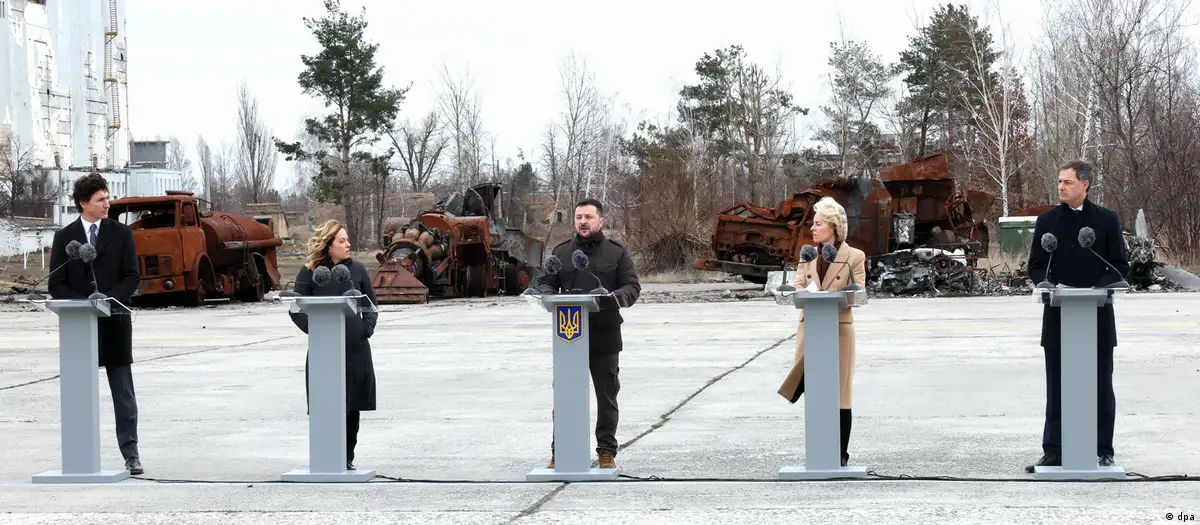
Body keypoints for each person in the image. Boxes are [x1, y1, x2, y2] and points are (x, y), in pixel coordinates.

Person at [1024, 159, 1128, 472]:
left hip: (1095, 315)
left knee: (1100, 383)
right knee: (1056, 384)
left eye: (1067, 182)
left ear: (1085, 184)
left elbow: (1119, 267)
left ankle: (1102, 449)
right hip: (1058, 314)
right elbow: (1036, 265)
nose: (1060, 187)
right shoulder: (1046, 221)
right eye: (1059, 182)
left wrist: (1096, 290)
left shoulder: (1107, 220)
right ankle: (1054, 449)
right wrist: (1047, 283)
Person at [535, 198, 641, 469]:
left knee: (607, 398)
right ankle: (561, 451)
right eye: (579, 217)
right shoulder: (561, 253)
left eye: (589, 217)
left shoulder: (616, 253)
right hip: (568, 338)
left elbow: (632, 286)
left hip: (604, 337)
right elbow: (546, 281)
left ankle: (606, 451)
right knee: (565, 397)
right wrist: (545, 293)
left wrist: (616, 298)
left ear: (601, 221)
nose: (583, 222)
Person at [48, 173, 143, 475]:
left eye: (107, 198)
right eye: (101, 199)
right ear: (83, 203)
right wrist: (83, 303)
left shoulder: (121, 233)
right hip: (79, 327)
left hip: (114, 322)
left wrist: (106, 300)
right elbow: (56, 283)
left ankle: (131, 453)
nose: (108, 204)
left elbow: (132, 277)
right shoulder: (65, 238)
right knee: (79, 393)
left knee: (123, 393)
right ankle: (79, 456)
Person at [776, 196, 867, 467]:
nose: (812, 229)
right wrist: (806, 292)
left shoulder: (854, 257)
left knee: (840, 392)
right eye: (813, 224)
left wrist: (834, 294)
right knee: (814, 390)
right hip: (812, 329)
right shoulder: (807, 255)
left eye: (818, 224)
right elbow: (798, 286)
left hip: (838, 330)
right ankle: (817, 450)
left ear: (833, 228)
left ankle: (840, 452)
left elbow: (858, 291)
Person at [288, 219, 379, 471]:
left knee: (351, 405)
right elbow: (296, 309)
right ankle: (325, 457)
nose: (348, 244)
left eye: (347, 240)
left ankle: (346, 458)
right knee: (325, 404)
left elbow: (372, 305)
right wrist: (314, 330)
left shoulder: (358, 270)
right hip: (323, 351)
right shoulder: (310, 272)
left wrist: (365, 329)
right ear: (328, 245)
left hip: (354, 350)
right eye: (342, 240)